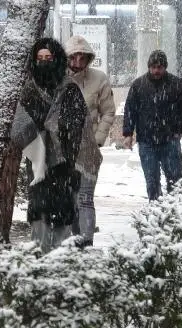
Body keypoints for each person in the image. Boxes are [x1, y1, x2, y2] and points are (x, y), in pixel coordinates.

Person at [11, 38, 102, 253]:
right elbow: (20, 126)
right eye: (40, 58)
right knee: (39, 212)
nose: (44, 63)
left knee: (62, 213)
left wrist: (54, 130)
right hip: (37, 165)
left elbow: (79, 126)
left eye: (48, 58)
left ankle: (61, 260)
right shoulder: (30, 91)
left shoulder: (70, 89)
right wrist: (38, 137)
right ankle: (40, 258)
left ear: (57, 59)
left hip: (65, 164)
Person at [64, 35, 116, 246]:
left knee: (85, 197)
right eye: (73, 57)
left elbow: (108, 112)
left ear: (88, 58)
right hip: (63, 148)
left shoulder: (99, 79)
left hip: (89, 148)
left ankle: (85, 241)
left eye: (82, 57)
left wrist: (98, 140)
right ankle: (71, 241)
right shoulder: (58, 80)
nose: (77, 62)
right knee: (68, 198)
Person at [122, 50, 182, 201]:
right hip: (147, 141)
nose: (156, 71)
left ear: (165, 67)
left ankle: (177, 213)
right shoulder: (138, 85)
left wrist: (179, 130)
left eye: (159, 67)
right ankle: (155, 214)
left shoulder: (177, 84)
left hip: (170, 140)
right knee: (152, 182)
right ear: (149, 67)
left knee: (175, 182)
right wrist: (128, 134)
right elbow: (130, 110)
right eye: (153, 67)